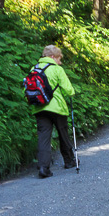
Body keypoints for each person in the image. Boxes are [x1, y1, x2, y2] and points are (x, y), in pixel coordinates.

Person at [31, 45, 77, 178]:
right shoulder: (57, 69)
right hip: (57, 108)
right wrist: (71, 93)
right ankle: (69, 161)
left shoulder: (34, 69)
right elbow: (68, 90)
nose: (60, 62)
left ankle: (43, 168)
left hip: (39, 108)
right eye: (59, 58)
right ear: (52, 57)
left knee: (44, 137)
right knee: (63, 133)